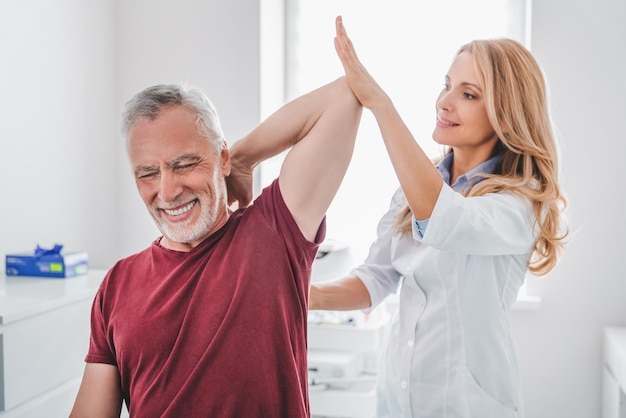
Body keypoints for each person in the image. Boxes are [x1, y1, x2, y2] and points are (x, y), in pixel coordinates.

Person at [310, 16, 568, 418]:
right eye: (446, 85)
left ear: (507, 112)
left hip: (470, 405)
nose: (444, 103)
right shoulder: (416, 188)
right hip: (396, 398)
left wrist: (380, 103)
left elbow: (444, 219)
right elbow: (377, 278)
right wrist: (304, 295)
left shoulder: (519, 204)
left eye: (468, 94)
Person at [69, 73, 362, 416]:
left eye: (185, 164)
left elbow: (343, 96)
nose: (166, 191)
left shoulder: (274, 234)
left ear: (221, 158)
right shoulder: (117, 283)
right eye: (148, 173)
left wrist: (243, 158)